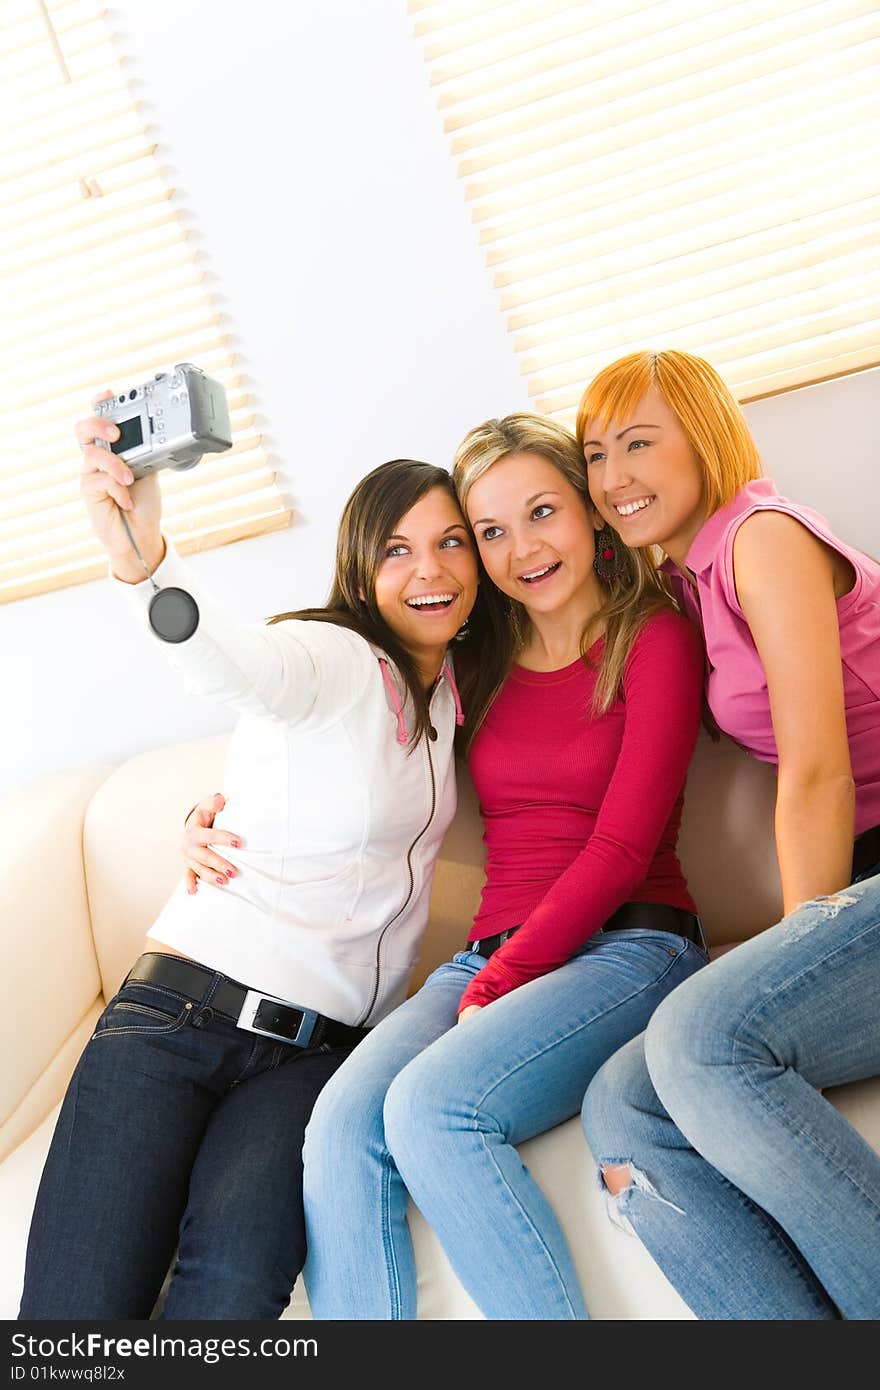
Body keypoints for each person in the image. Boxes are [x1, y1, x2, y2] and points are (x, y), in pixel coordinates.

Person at [18, 395, 488, 1319]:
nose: (428, 570)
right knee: (73, 1324)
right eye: (396, 548)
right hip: (180, 1016)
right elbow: (235, 664)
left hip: (313, 1060)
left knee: (231, 1300)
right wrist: (144, 561)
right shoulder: (332, 655)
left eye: (452, 542)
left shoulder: (449, 704)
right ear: (360, 566)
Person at [291, 413, 706, 1319]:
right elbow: (341, 727)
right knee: (340, 1124)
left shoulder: (655, 637)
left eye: (543, 512)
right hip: (490, 953)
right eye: (491, 532)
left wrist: (507, 977)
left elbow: (622, 850)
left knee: (434, 1110)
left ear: (592, 515)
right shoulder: (475, 659)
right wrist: (217, 809)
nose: (522, 550)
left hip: (630, 947)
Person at [578, 348, 880, 1320]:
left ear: (703, 435)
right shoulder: (692, 581)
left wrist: (791, 958)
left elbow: (818, 772)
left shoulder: (763, 537)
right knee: (619, 1109)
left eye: (637, 443)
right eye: (594, 454)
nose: (613, 475)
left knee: (704, 1038)